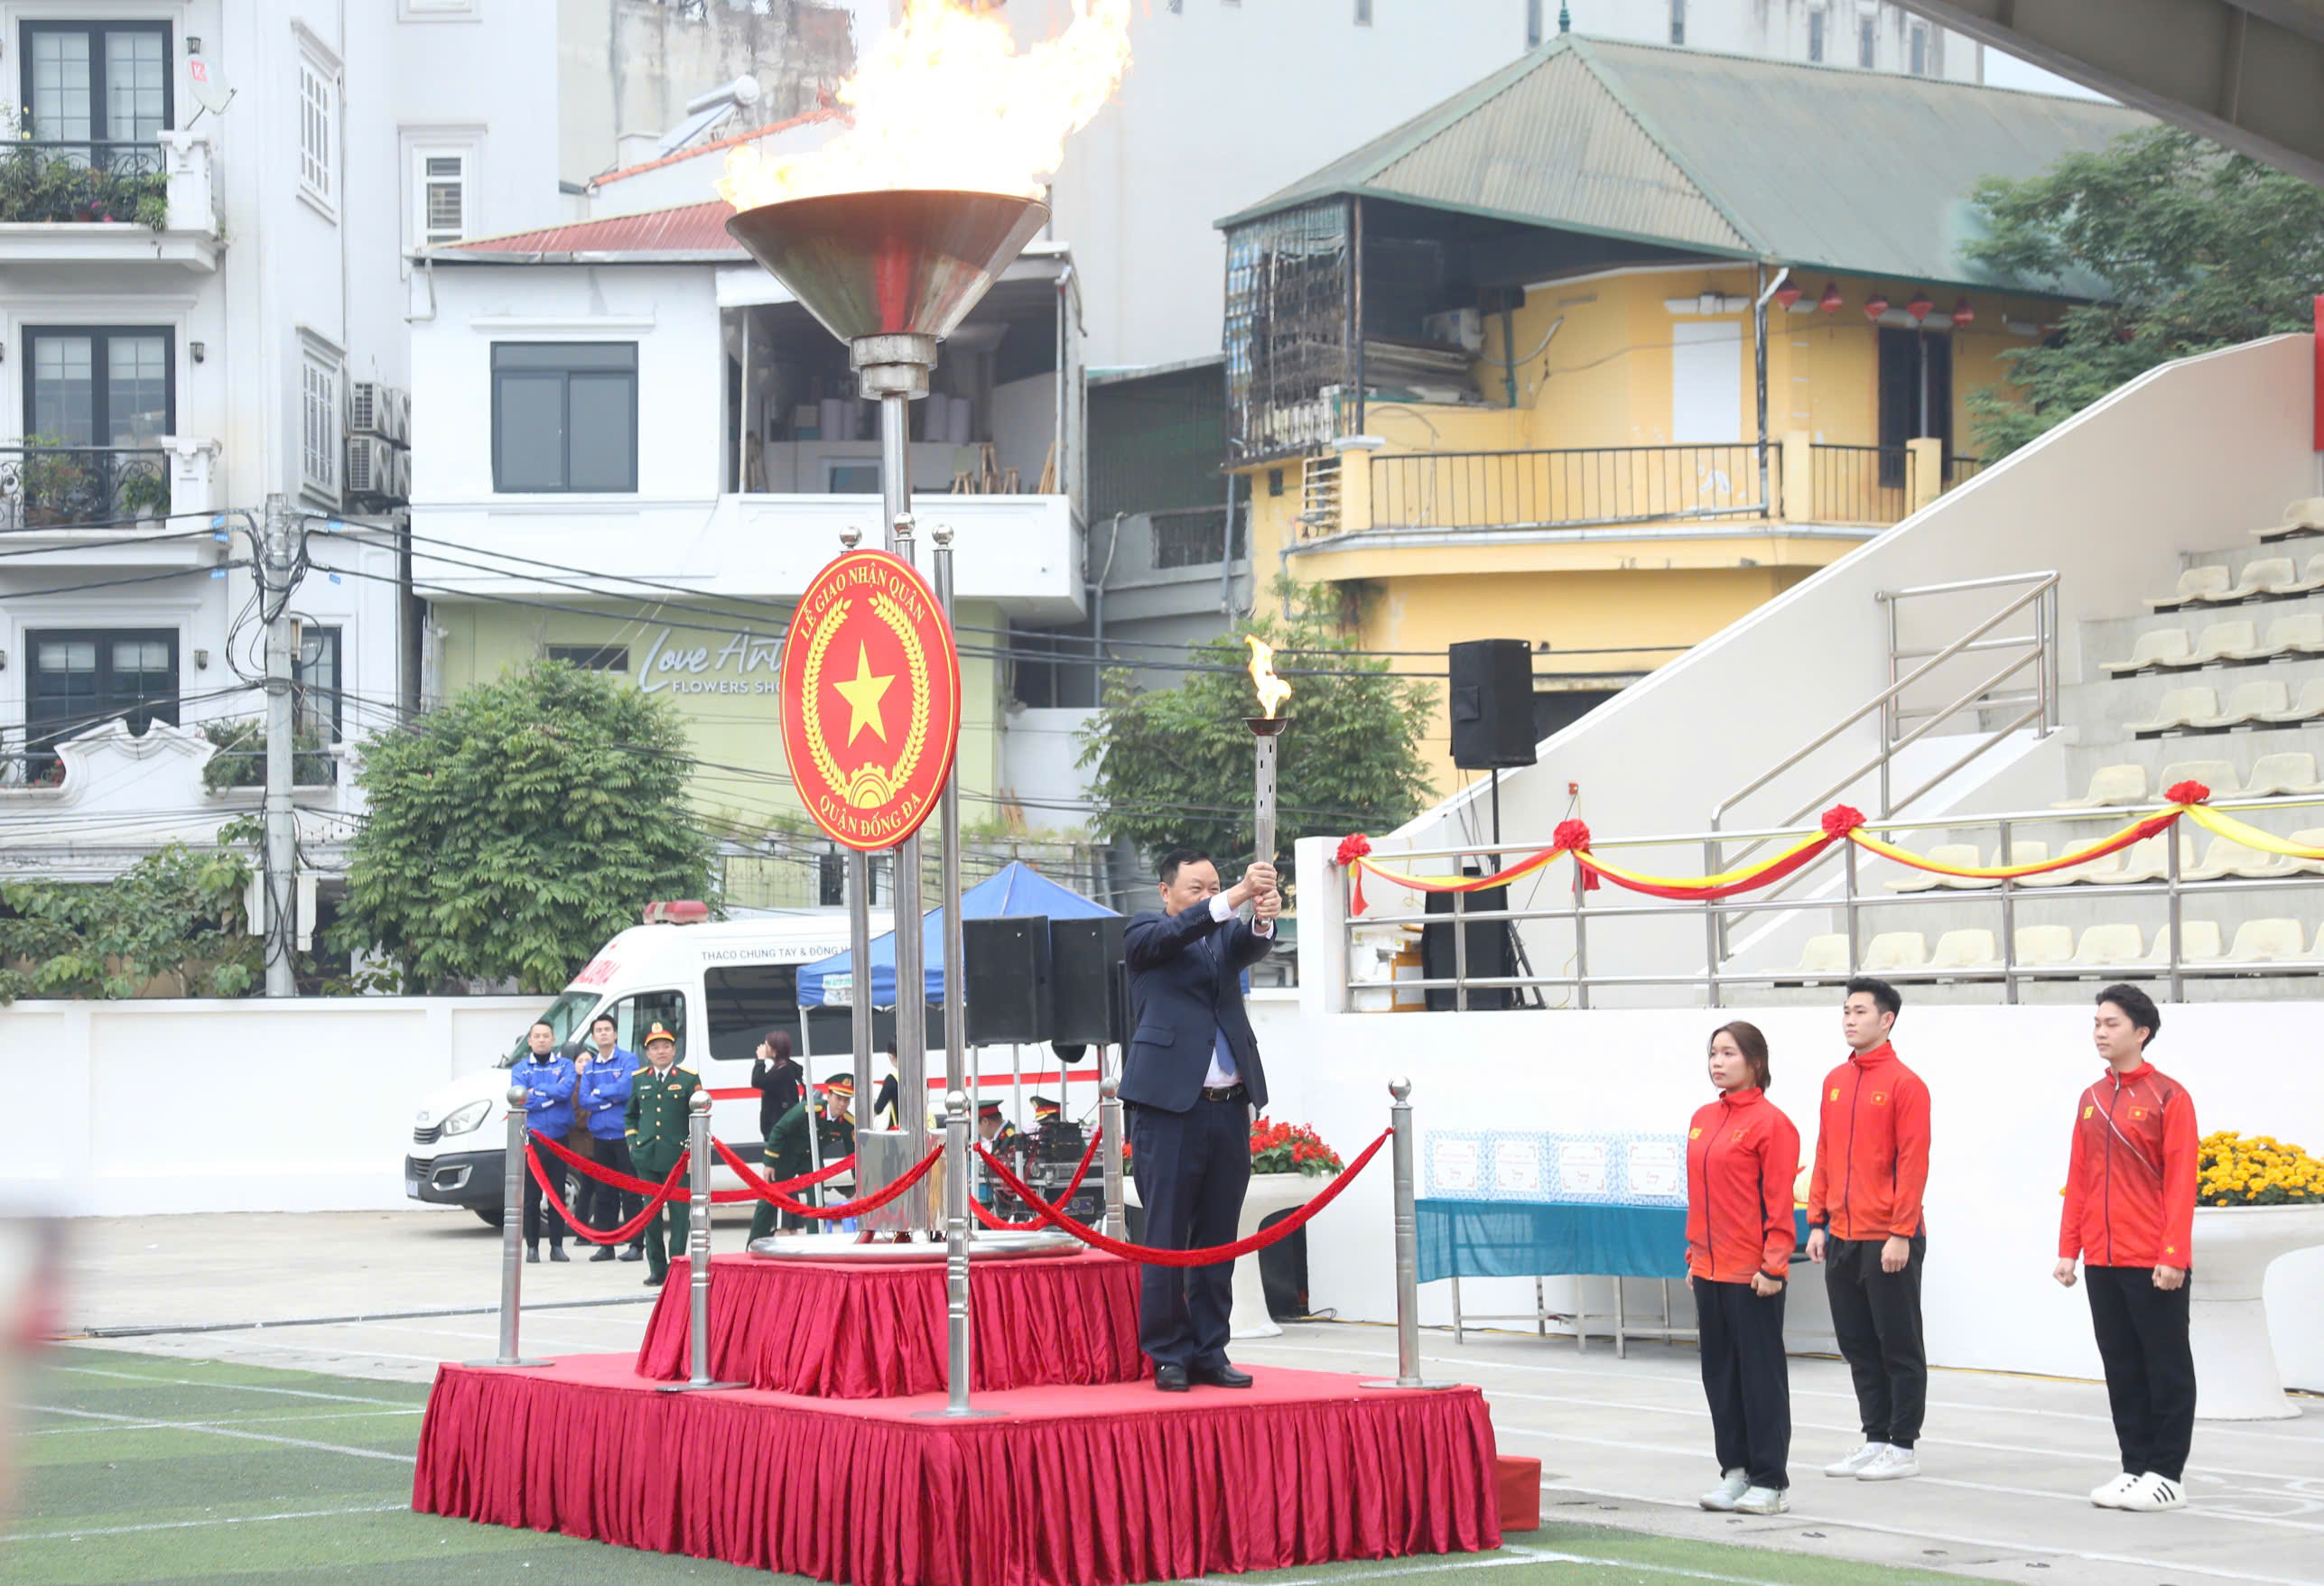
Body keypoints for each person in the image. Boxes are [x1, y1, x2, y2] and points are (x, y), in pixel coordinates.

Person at [1122, 849, 1279, 1393]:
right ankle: (1167, 1352)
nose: (1209, 894)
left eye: (1213, 884)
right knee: (1165, 1234)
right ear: (1166, 893)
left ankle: (1211, 1348)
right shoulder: (1145, 933)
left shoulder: (1221, 940)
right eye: (1197, 887)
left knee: (1218, 1235)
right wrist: (1234, 895)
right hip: (1168, 1109)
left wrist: (1261, 912)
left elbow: (1253, 941)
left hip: (1227, 1107)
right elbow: (1178, 933)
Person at [2057, 984, 2199, 1513]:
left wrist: (2172, 1254)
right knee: (2120, 1363)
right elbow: (2080, 1177)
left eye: (2111, 1023)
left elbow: (2181, 1183)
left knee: (2165, 1364)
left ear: (2141, 1032)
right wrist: (2069, 1248)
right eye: (2096, 1022)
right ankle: (2134, 1465)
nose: (2100, 1031)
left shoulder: (2170, 1096)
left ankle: (2167, 1472)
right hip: (2103, 1258)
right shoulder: (2090, 1098)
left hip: (2152, 1261)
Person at [1805, 977, 1932, 1481]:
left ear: (1887, 1020)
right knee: (1857, 1343)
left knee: (1897, 1342)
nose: (1850, 1019)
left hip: (1889, 1237)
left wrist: (1900, 1231)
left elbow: (1913, 1161)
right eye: (1845, 1011)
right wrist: (1818, 1221)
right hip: (1842, 1235)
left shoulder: (1906, 1084)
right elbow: (1824, 1153)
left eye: (1860, 1011)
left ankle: (1903, 1445)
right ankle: (1874, 1436)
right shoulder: (1835, 1080)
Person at [1687, 1021, 1801, 1517]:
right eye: (1713, 1052)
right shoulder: (1702, 1117)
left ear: (1755, 1062)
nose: (1717, 1061)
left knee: (1760, 1378)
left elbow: (1779, 1203)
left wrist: (1774, 1265)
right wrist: (1694, 1255)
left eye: (1728, 1053)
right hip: (1709, 1271)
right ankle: (1734, 1471)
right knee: (1720, 1376)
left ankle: (1770, 1480)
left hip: (1753, 1275)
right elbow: (1699, 1197)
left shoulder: (1772, 1124)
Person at [622, 1024, 697, 1287]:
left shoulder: (689, 1079)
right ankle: (657, 1268)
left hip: (678, 1160)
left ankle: (676, 1267)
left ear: (674, 1050)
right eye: (655, 1048)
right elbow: (630, 1114)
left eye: (666, 1046)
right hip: (647, 1158)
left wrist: (692, 1153)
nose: (661, 1051)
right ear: (647, 1054)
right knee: (650, 1216)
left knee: (679, 1216)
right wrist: (632, 1142)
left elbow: (698, 1119)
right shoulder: (639, 1079)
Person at [749, 1074, 859, 1243]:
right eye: (838, 1098)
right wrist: (769, 1163)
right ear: (829, 1096)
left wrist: (858, 1183)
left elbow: (853, 1155)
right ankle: (753, 1242)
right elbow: (780, 1129)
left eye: (846, 1100)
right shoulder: (808, 1110)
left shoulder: (848, 1122)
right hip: (787, 1156)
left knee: (817, 1202)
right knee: (769, 1199)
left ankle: (814, 1243)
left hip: (811, 1160)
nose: (842, 1104)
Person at [572, 1016, 644, 1264]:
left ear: (615, 1034)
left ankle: (636, 1244)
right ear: (593, 1037)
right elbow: (584, 1099)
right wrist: (610, 1097)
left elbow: (626, 1090)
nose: (603, 1034)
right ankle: (606, 1244)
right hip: (600, 1137)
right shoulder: (591, 1066)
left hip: (624, 1136)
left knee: (631, 1192)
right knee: (604, 1194)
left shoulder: (628, 1059)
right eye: (598, 1031)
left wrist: (600, 1093)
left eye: (607, 1030)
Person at [514, 1022, 578, 1264]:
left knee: (556, 1194)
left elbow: (565, 1092)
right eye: (536, 1036)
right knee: (531, 1195)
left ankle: (557, 1246)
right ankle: (532, 1247)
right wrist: (548, 1096)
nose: (541, 1040)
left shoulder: (565, 1065)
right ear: (529, 1041)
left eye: (546, 1036)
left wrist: (538, 1091)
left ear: (553, 1040)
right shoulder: (521, 1068)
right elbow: (521, 1100)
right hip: (533, 1139)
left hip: (559, 1139)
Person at [751, 1029, 804, 1142]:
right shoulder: (784, 1068)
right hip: (779, 1131)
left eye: (767, 1045)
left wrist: (760, 1060)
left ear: (775, 1051)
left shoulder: (782, 1072)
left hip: (780, 1133)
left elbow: (757, 1081)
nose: (764, 1047)